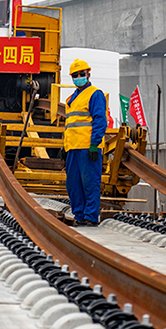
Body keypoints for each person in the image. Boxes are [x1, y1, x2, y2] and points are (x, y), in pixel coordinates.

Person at [64, 59, 107, 226]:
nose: (79, 77)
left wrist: (94, 144)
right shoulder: (71, 98)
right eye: (75, 75)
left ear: (88, 74)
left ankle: (90, 217)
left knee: (90, 183)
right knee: (74, 184)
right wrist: (64, 145)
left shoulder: (95, 94)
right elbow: (70, 124)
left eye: (82, 74)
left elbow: (99, 121)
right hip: (73, 148)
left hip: (88, 148)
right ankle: (79, 215)